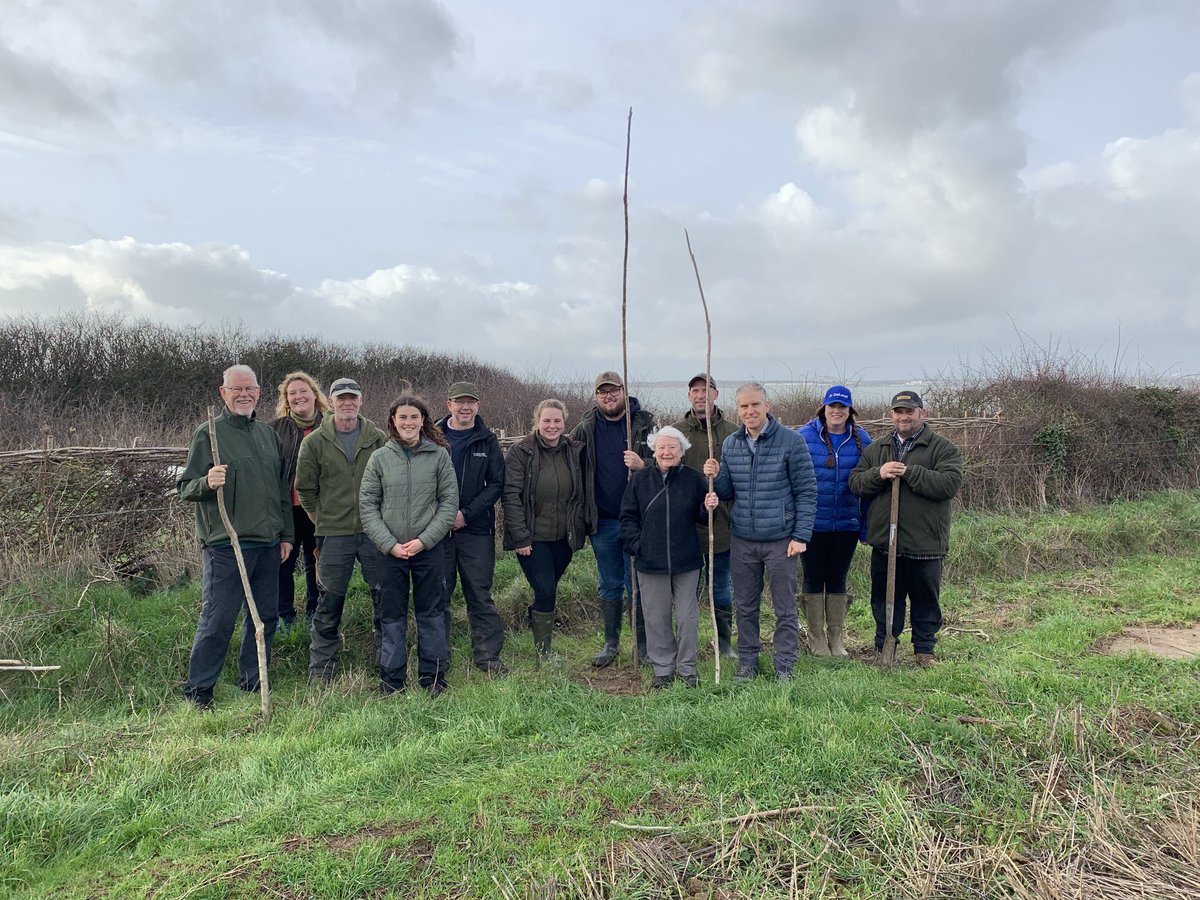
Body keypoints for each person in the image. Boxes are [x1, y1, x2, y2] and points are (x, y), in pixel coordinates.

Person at [177, 364, 293, 708]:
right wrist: (206, 482)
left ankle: (253, 680)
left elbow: (280, 491)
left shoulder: (266, 434)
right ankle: (199, 691)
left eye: (251, 388)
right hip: (227, 545)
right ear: (223, 392)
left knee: (265, 617)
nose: (244, 394)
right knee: (219, 619)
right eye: (237, 388)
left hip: (269, 543)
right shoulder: (208, 434)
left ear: (259, 392)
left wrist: (286, 534)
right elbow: (186, 487)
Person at [703, 383, 817, 682]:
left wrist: (800, 536)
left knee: (784, 606)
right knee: (746, 606)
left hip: (781, 539)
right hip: (743, 538)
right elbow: (728, 491)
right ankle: (748, 662)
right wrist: (715, 477)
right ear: (738, 410)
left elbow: (807, 491)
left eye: (755, 405)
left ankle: (784, 665)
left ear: (767, 406)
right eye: (743, 406)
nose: (750, 411)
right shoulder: (731, 444)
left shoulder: (791, 442)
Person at [850, 390, 963, 667]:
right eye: (898, 412)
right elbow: (855, 482)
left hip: (925, 542)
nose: (904, 417)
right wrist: (880, 473)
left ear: (922, 413)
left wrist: (910, 472)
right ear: (892, 415)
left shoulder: (941, 448)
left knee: (925, 598)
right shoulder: (877, 449)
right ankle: (884, 646)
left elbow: (949, 484)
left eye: (909, 411)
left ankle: (924, 651)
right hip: (885, 543)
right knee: (885, 598)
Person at [360, 395, 458, 694]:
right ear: (393, 421)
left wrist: (424, 541)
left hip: (428, 550)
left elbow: (449, 502)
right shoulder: (379, 458)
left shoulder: (439, 456)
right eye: (402, 417)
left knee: (431, 612)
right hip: (389, 552)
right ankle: (392, 680)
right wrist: (389, 544)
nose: (408, 422)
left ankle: (433, 677)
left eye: (414, 417)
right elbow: (367, 504)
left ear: (423, 421)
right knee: (391, 616)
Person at [295, 377, 387, 683]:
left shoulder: (378, 438)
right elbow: (305, 489)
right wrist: (321, 519)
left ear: (361, 401)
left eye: (353, 398)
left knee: (384, 596)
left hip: (375, 532)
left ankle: (389, 661)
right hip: (333, 534)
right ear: (331, 402)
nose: (347, 403)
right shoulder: (314, 442)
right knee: (329, 600)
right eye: (341, 398)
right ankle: (322, 671)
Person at [620, 426, 720, 689]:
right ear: (654, 451)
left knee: (687, 616)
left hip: (686, 560)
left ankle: (688, 669)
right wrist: (639, 545)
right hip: (650, 562)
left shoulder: (694, 479)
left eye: (672, 447)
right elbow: (628, 517)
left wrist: (708, 507)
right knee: (656, 616)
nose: (667, 452)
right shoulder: (640, 480)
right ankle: (663, 669)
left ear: (681, 451)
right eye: (662, 448)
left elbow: (703, 518)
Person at [570, 371, 655, 668]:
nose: (609, 396)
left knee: (638, 585)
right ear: (596, 396)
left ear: (623, 391)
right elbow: (572, 469)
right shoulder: (585, 428)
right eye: (603, 392)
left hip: (638, 520)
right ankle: (611, 644)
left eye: (614, 391)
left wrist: (643, 464)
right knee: (609, 583)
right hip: (603, 521)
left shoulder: (645, 424)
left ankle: (643, 648)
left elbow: (666, 462)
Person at [502, 399, 588, 663]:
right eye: (547, 420)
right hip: (532, 538)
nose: (552, 426)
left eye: (557, 421)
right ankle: (544, 655)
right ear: (537, 422)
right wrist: (520, 536)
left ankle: (536, 620)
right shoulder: (521, 452)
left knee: (548, 589)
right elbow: (511, 495)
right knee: (546, 592)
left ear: (565, 422)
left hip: (564, 537)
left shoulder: (575, 450)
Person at [797, 386, 873, 658]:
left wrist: (864, 526)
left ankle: (836, 638)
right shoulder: (804, 438)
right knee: (814, 577)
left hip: (846, 523)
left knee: (838, 578)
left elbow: (870, 486)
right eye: (832, 406)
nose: (837, 411)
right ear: (823, 408)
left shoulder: (863, 440)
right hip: (812, 523)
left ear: (850, 410)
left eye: (842, 407)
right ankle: (816, 638)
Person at [437, 381, 507, 675]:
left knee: (479, 593)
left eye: (471, 402)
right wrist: (442, 516)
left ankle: (488, 657)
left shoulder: (487, 440)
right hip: (437, 532)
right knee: (437, 594)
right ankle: (437, 657)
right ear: (449, 404)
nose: (465, 407)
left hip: (476, 530)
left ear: (478, 405)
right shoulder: (433, 437)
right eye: (459, 401)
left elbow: (496, 485)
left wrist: (466, 514)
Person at [671, 373, 738, 659]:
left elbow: (740, 477)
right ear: (688, 396)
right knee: (684, 592)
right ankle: (685, 644)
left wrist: (721, 474)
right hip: (685, 527)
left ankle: (724, 643)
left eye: (705, 390)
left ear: (715, 394)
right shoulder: (675, 433)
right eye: (695, 391)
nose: (700, 395)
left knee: (721, 586)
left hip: (722, 523)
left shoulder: (733, 433)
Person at [271, 371, 330, 632]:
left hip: (319, 508)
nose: (298, 397)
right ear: (286, 399)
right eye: (291, 393)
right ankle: (285, 615)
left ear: (314, 395)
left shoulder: (330, 425)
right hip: (288, 508)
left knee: (315, 561)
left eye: (302, 391)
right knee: (283, 560)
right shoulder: (276, 429)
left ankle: (314, 612)